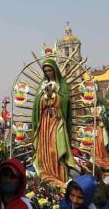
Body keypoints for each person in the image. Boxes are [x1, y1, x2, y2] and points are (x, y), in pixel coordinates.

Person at [32, 58, 77, 187]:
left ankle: (58, 175)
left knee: (55, 149)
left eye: (50, 70)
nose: (48, 73)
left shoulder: (61, 85)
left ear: (55, 70)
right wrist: (44, 97)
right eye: (46, 71)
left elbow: (65, 101)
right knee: (44, 149)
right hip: (44, 122)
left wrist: (54, 96)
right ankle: (45, 173)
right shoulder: (42, 85)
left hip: (56, 121)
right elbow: (37, 104)